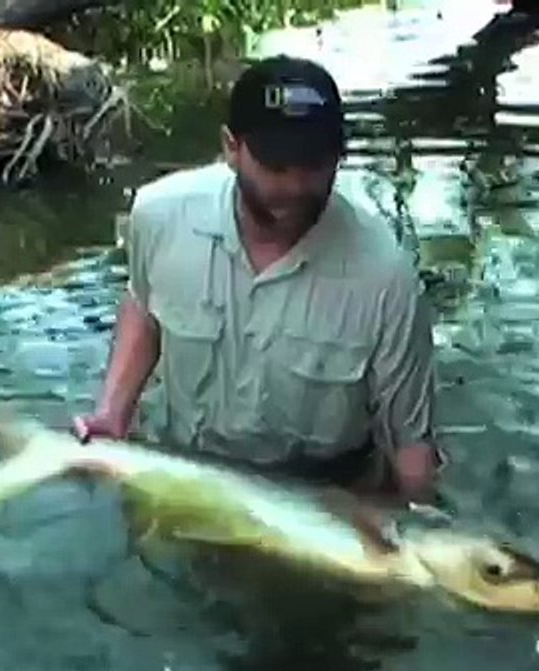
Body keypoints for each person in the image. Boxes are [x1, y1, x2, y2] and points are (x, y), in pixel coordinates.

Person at [73, 54, 442, 504]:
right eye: (275, 165)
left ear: (339, 157)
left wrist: (423, 533)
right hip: (182, 468)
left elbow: (410, 443)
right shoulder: (158, 216)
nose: (294, 185)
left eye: (313, 164)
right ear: (231, 147)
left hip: (320, 495)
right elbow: (144, 308)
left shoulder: (387, 278)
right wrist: (113, 414)